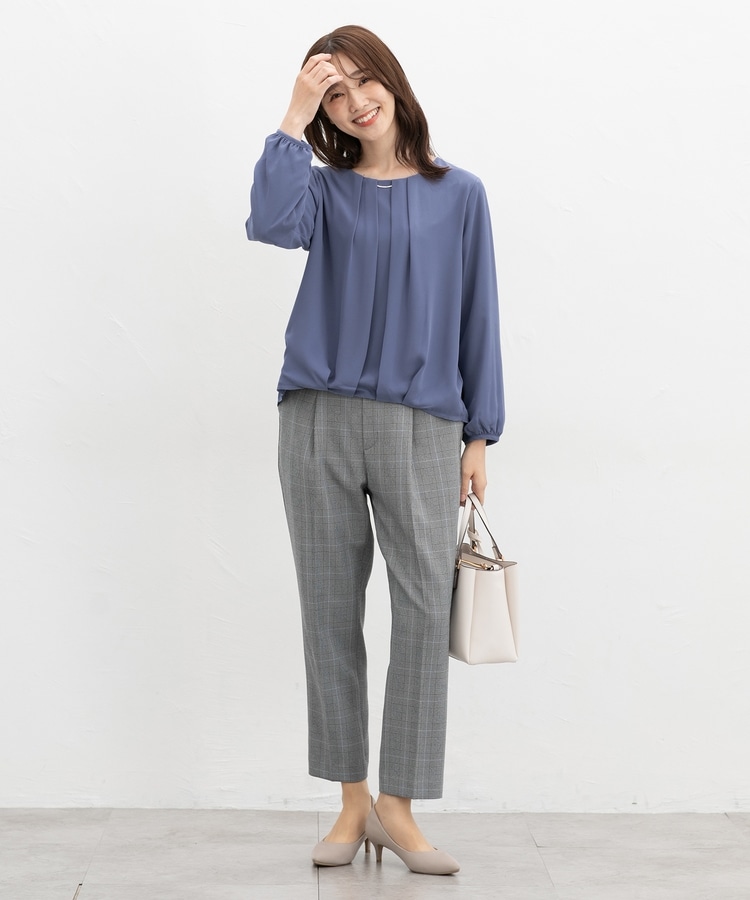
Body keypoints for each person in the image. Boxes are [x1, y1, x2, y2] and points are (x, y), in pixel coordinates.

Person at [245, 24, 504, 876]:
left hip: (422, 426)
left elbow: (478, 314)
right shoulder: (321, 192)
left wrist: (480, 432)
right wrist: (291, 115)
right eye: (333, 94)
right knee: (329, 612)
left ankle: (400, 805)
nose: (355, 102)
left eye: (364, 82)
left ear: (393, 81)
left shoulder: (459, 194)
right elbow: (268, 223)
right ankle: (352, 800)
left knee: (424, 610)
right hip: (317, 418)